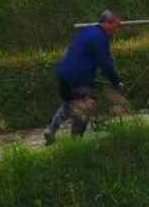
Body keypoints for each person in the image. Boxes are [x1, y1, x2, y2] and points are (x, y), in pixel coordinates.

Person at [45, 10, 129, 145]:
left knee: (70, 103)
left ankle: (51, 129)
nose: (116, 30)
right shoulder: (101, 38)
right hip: (79, 75)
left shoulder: (88, 31)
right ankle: (76, 142)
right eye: (115, 26)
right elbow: (105, 63)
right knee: (86, 105)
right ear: (107, 23)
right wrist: (116, 81)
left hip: (63, 72)